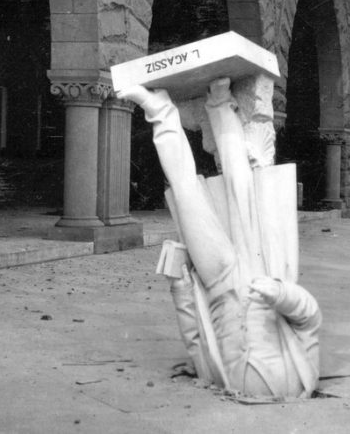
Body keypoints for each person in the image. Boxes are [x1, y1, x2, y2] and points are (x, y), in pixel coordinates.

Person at [119, 79, 321, 399]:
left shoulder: (223, 380)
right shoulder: (300, 381)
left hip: (218, 284)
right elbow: (309, 320)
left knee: (187, 196)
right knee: (240, 186)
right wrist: (282, 294)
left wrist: (180, 288)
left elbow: (196, 339)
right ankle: (220, 101)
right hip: (258, 274)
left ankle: (160, 111)